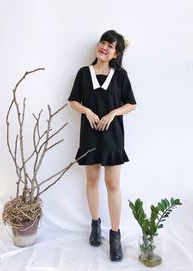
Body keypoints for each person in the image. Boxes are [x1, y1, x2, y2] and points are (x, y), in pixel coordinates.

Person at [68, 30, 136, 262]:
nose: (104, 47)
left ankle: (115, 235)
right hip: (89, 134)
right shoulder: (83, 73)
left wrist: (113, 113)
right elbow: (73, 101)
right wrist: (86, 110)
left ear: (116, 53)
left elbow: (131, 104)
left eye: (110, 46)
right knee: (92, 180)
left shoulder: (120, 75)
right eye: (103, 42)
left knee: (112, 184)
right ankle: (95, 224)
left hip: (113, 135)